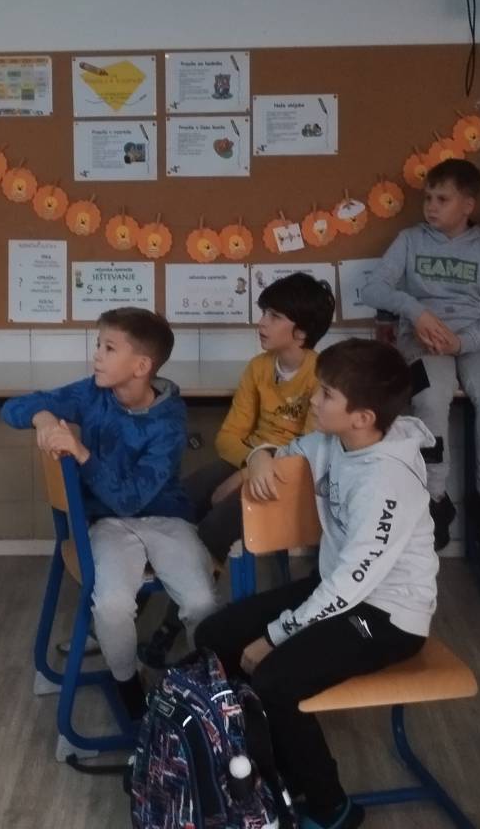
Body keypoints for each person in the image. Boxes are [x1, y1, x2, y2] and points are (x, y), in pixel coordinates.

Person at [195, 338, 438, 829]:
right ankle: (261, 765)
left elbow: (352, 583)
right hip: (338, 591)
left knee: (275, 678)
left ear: (362, 417)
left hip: (387, 616)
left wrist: (275, 636)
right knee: (214, 636)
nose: (313, 399)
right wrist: (259, 456)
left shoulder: (385, 480)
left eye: (326, 394)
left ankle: (331, 807)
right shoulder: (336, 440)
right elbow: (283, 451)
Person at [0, 307, 217, 718]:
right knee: (112, 605)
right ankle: (127, 683)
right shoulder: (92, 394)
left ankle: (209, 689)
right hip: (107, 524)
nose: (96, 355)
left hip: (166, 520)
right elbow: (13, 407)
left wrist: (81, 453)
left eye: (109, 348)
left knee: (201, 601)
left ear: (141, 366)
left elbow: (130, 499)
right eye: (99, 345)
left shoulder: (169, 420)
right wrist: (43, 417)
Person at [142, 272, 336, 666]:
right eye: (264, 313)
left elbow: (306, 453)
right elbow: (228, 437)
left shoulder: (322, 375)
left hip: (288, 479)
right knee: (177, 500)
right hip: (248, 460)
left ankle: (173, 625)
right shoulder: (258, 368)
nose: (261, 322)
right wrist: (250, 462)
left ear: (300, 333)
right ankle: (137, 598)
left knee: (216, 525)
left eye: (273, 316)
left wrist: (247, 474)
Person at [361, 157, 480, 552]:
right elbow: (373, 289)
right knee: (429, 398)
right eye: (428, 197)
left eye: (442, 199)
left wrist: (463, 343)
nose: (431, 206)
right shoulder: (410, 240)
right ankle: (436, 499)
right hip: (422, 341)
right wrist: (416, 311)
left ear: (467, 205)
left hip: (475, 342)